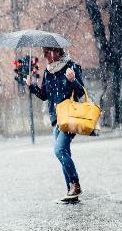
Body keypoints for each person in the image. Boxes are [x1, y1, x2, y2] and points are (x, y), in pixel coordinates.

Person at [27, 46, 85, 201]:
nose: (44, 55)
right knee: (64, 152)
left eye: (47, 52)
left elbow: (80, 92)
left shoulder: (72, 66)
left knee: (59, 150)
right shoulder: (48, 72)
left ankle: (76, 184)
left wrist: (73, 80)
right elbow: (45, 95)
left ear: (57, 51)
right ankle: (71, 192)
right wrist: (31, 86)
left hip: (70, 116)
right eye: (44, 52)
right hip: (57, 119)